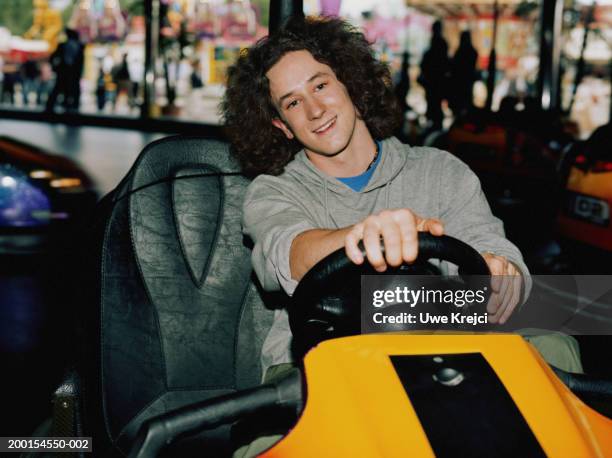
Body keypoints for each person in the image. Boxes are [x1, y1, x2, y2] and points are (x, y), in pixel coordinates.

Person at [222, 16, 582, 455]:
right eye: (293, 103)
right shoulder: (274, 190)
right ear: (280, 125)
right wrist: (360, 237)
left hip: (443, 353)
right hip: (322, 363)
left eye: (320, 86)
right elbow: (286, 251)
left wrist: (497, 273)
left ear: (350, 84)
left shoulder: (441, 171)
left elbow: (494, 252)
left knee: (555, 348)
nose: (314, 110)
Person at [418, 20, 449, 131]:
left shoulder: (436, 44)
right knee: (435, 103)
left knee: (432, 103)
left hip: (433, 80)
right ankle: (436, 126)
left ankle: (434, 125)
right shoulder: (442, 43)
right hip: (437, 80)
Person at [45, 28, 84, 112]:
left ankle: (52, 106)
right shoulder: (79, 46)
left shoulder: (63, 45)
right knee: (70, 89)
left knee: (59, 88)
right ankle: (71, 106)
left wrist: (54, 67)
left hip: (65, 71)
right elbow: (80, 62)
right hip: (71, 72)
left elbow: (53, 57)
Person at [448, 30, 478, 118]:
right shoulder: (471, 52)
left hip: (460, 83)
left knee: (460, 104)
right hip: (465, 83)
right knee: (464, 104)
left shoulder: (460, 52)